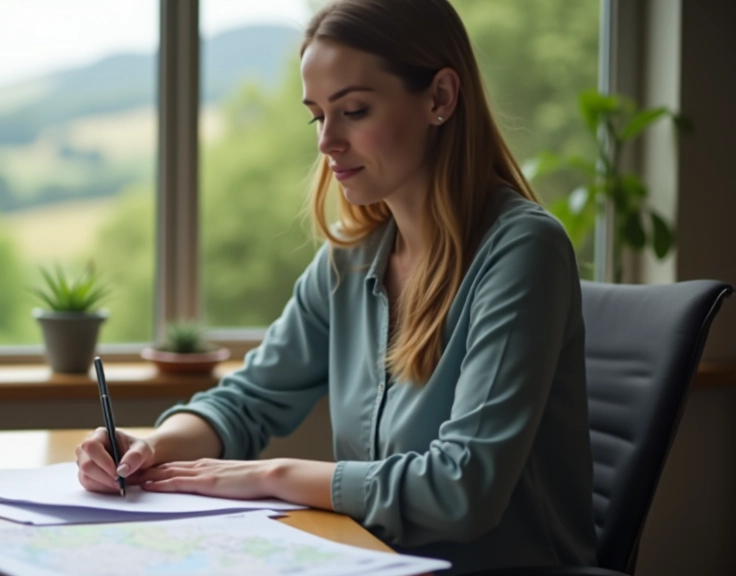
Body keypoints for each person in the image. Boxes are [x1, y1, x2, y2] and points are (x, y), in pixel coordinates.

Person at [75, 0, 597, 572]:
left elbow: (461, 490)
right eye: (317, 116)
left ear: (440, 99)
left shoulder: (523, 251)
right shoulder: (349, 260)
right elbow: (249, 399)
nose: (327, 141)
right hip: (375, 562)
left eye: (353, 110)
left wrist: (271, 476)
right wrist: (151, 447)